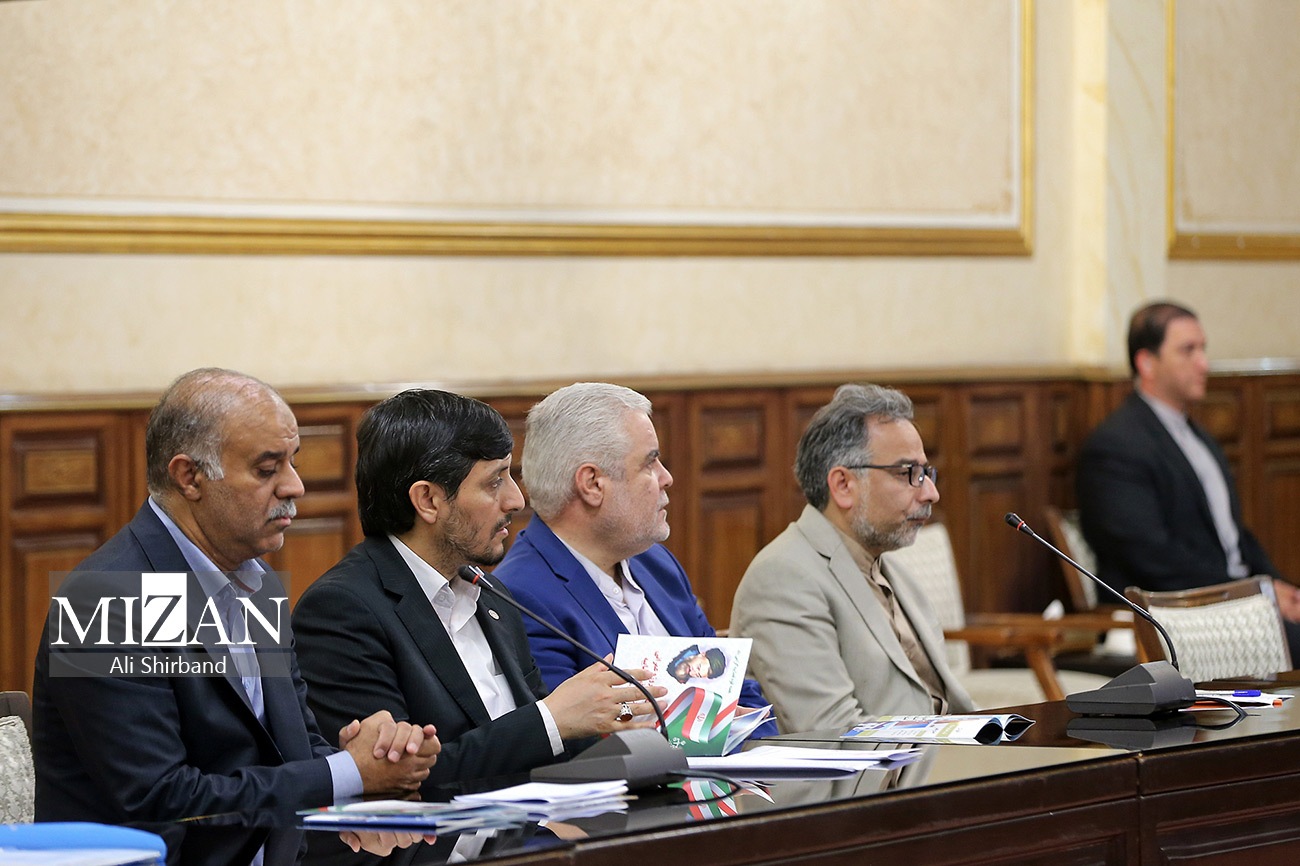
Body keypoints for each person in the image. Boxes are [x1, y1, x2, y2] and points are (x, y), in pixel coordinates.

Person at [33, 368, 439, 824]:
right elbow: (161, 802)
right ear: (189, 477)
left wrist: (372, 758)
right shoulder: (107, 601)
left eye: (293, 463)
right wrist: (347, 773)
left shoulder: (257, 582)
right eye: (267, 469)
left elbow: (292, 752)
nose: (295, 487)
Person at [293, 389, 665, 789]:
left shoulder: (490, 594)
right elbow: (395, 779)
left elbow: (541, 745)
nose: (516, 500)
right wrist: (553, 719)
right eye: (494, 482)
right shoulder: (342, 610)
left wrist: (618, 728)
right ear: (428, 500)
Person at [495, 382, 776, 738]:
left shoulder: (657, 565)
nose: (666, 478)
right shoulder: (519, 597)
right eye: (650, 463)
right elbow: (579, 743)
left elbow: (737, 693)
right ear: (592, 484)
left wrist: (750, 736)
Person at [729, 383, 973, 734]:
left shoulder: (893, 572)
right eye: (909, 474)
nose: (930, 492)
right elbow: (834, 734)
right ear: (843, 485)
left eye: (926, 473)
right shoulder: (782, 579)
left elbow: (947, 705)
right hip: (888, 769)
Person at [1076, 301, 1300, 662]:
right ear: (1146, 362)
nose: (1203, 363)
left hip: (1236, 604)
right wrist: (1254, 594)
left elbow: (1233, 536)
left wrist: (1278, 586)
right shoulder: (1116, 446)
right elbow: (1152, 557)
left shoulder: (1199, 437)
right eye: (1187, 350)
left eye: (1203, 349)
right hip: (1181, 616)